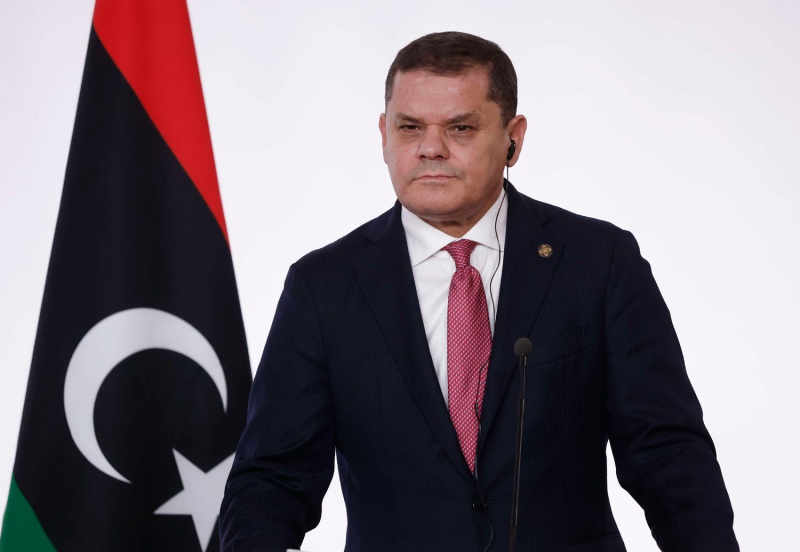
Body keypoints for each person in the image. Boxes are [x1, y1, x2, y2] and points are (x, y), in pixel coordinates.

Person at [220, 32, 738, 552]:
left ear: (513, 139)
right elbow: (272, 479)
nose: (430, 148)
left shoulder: (599, 261)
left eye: (460, 127)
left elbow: (666, 453)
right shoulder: (323, 286)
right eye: (409, 127)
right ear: (383, 134)